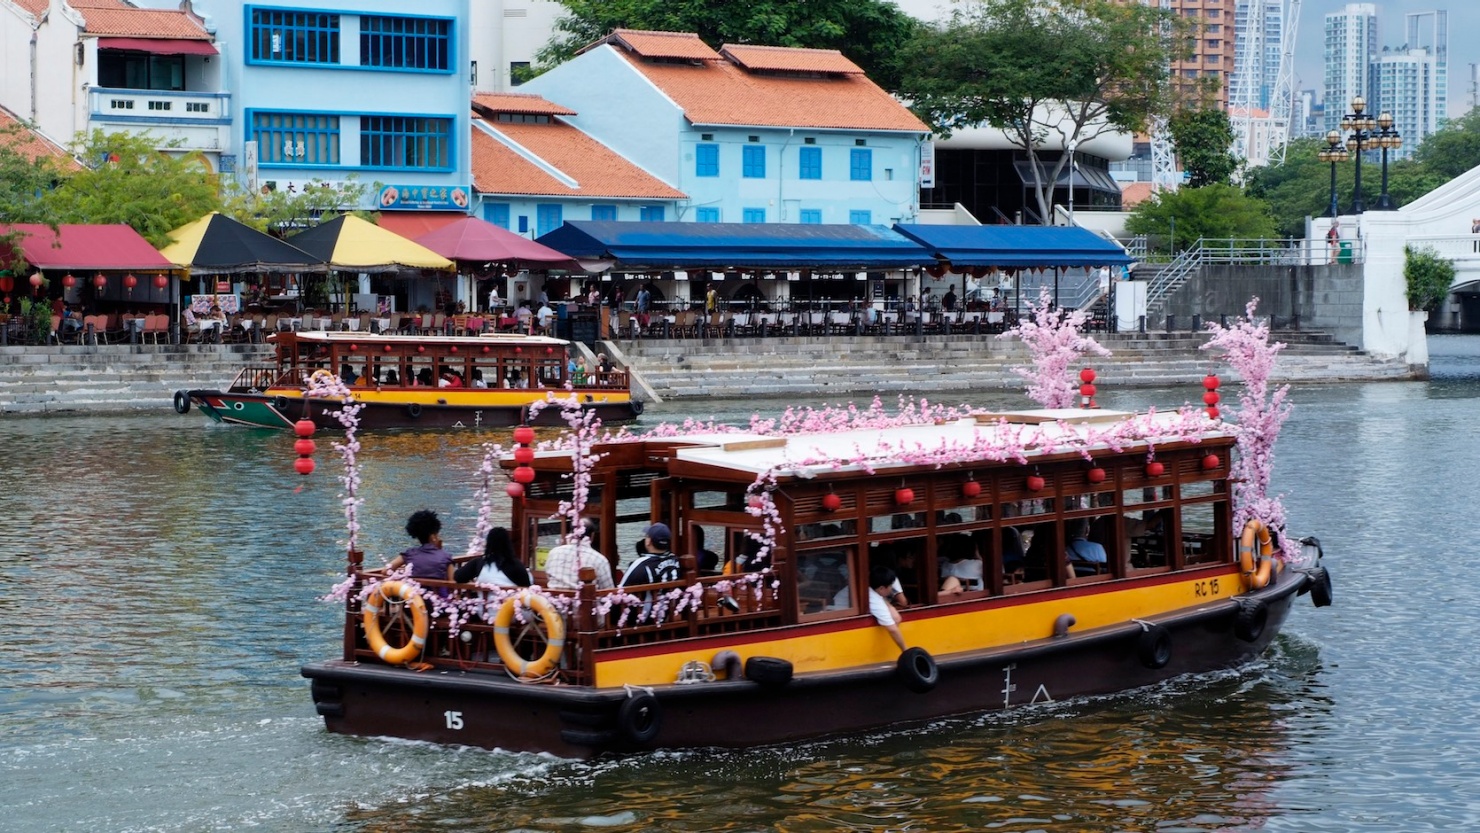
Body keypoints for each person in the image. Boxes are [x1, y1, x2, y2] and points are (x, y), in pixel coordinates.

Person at [385, 509, 455, 581]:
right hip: (438, 592)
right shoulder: (446, 557)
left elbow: (386, 571)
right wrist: (440, 551)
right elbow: (452, 583)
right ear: (433, 537)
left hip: (412, 591)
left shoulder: (409, 554)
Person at [544, 518, 614, 590]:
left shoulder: (554, 553)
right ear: (592, 536)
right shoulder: (599, 559)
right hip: (584, 600)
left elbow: (548, 576)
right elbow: (608, 591)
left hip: (553, 600)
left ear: (571, 533)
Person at [453, 527, 531, 587]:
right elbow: (527, 586)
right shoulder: (516, 565)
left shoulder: (479, 563)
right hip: (510, 607)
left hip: (484, 607)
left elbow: (458, 577)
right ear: (508, 544)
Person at [620, 523, 682, 588]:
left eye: (646, 536)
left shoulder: (641, 564)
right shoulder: (676, 560)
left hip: (652, 598)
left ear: (648, 541)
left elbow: (621, 590)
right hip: (674, 597)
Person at [867, 566, 908, 653]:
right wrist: (906, 651)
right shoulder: (874, 601)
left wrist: (890, 607)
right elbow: (892, 629)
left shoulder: (869, 589)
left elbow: (882, 599)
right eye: (890, 586)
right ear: (881, 588)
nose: (891, 590)